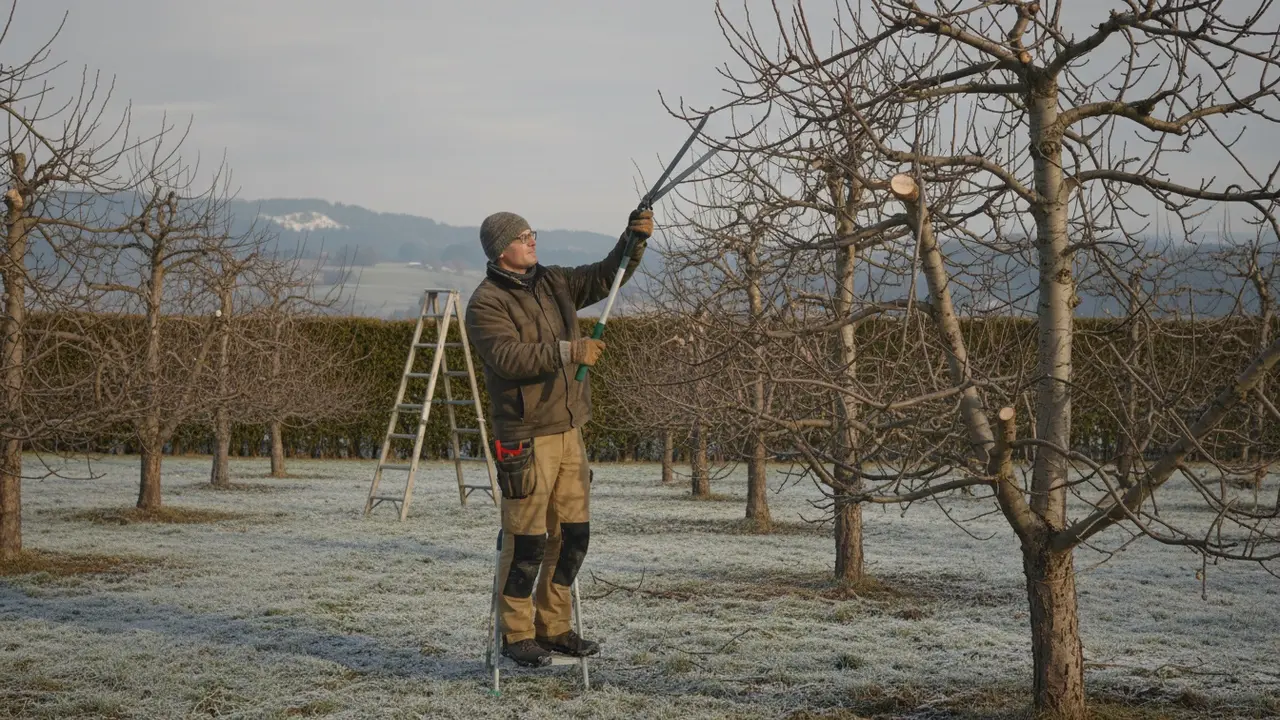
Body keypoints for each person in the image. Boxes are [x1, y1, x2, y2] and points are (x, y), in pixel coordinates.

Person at [465, 208, 652, 667]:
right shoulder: (486, 303)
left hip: (570, 429)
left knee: (573, 536)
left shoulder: (554, 281)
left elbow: (608, 276)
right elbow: (508, 357)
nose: (532, 240)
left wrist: (634, 238)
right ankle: (517, 634)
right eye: (522, 236)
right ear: (500, 249)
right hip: (524, 437)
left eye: (532, 233)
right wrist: (569, 351)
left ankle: (555, 628)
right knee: (526, 541)